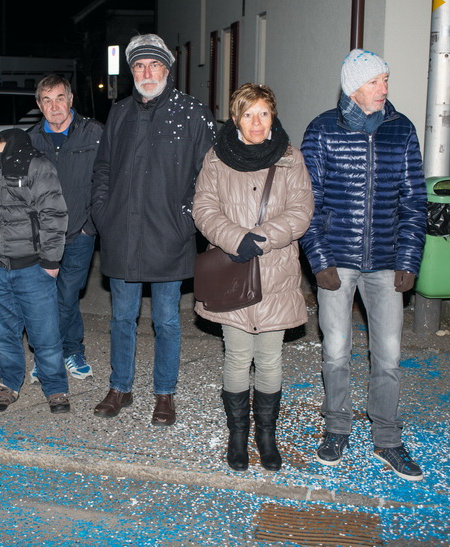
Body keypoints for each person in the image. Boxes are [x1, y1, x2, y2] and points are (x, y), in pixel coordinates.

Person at [300, 49, 427, 481]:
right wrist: (319, 259)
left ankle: (387, 438)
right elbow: (308, 202)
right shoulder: (322, 130)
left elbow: (414, 202)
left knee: (388, 355)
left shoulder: (401, 129)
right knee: (336, 351)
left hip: (388, 262)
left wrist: (408, 259)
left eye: (385, 80)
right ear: (353, 87)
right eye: (375, 81)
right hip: (337, 261)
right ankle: (337, 428)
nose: (383, 88)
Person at [91, 34, 215, 425]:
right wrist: (103, 213)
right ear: (132, 72)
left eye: (154, 65)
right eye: (140, 66)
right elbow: (103, 168)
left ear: (167, 69)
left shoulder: (193, 112)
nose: (147, 73)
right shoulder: (120, 112)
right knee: (122, 319)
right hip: (122, 234)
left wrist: (186, 220)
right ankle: (120, 387)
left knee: (167, 320)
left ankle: (164, 393)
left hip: (170, 235)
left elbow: (208, 176)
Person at [193, 84, 313, 472]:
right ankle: (238, 436)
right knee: (237, 356)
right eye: (248, 114)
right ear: (235, 119)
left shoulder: (290, 158)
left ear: (273, 116)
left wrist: (259, 239)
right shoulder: (216, 158)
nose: (256, 122)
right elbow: (204, 208)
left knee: (270, 360)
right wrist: (235, 239)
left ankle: (266, 436)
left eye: (263, 113)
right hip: (233, 272)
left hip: (275, 273)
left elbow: (301, 211)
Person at [0, 112, 70, 414]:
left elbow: (54, 214)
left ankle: (55, 387)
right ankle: (9, 383)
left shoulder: (35, 164)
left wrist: (50, 260)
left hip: (32, 268)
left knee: (45, 335)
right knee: (3, 335)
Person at [27, 74, 103, 383]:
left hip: (79, 232)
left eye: (60, 98)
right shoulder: (30, 140)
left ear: (70, 100)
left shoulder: (94, 133)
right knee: (50, 298)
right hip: (43, 235)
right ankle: (73, 350)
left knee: (67, 295)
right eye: (47, 100)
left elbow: (106, 181)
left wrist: (90, 226)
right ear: (39, 104)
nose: (54, 106)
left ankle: (49, 356)